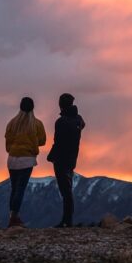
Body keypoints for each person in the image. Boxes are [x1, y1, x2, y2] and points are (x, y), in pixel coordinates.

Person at [4, 96, 46, 228]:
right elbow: (43, 141)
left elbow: (8, 143)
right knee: (20, 189)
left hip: (12, 158)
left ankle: (12, 217)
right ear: (33, 107)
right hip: (27, 159)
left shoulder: (12, 123)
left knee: (14, 188)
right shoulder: (36, 124)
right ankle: (14, 218)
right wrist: (31, 143)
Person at [46, 92, 85, 227]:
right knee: (68, 189)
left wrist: (51, 156)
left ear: (61, 105)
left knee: (65, 191)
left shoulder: (61, 122)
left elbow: (58, 142)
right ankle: (67, 220)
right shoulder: (78, 119)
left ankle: (67, 221)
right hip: (72, 158)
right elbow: (82, 125)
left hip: (61, 159)